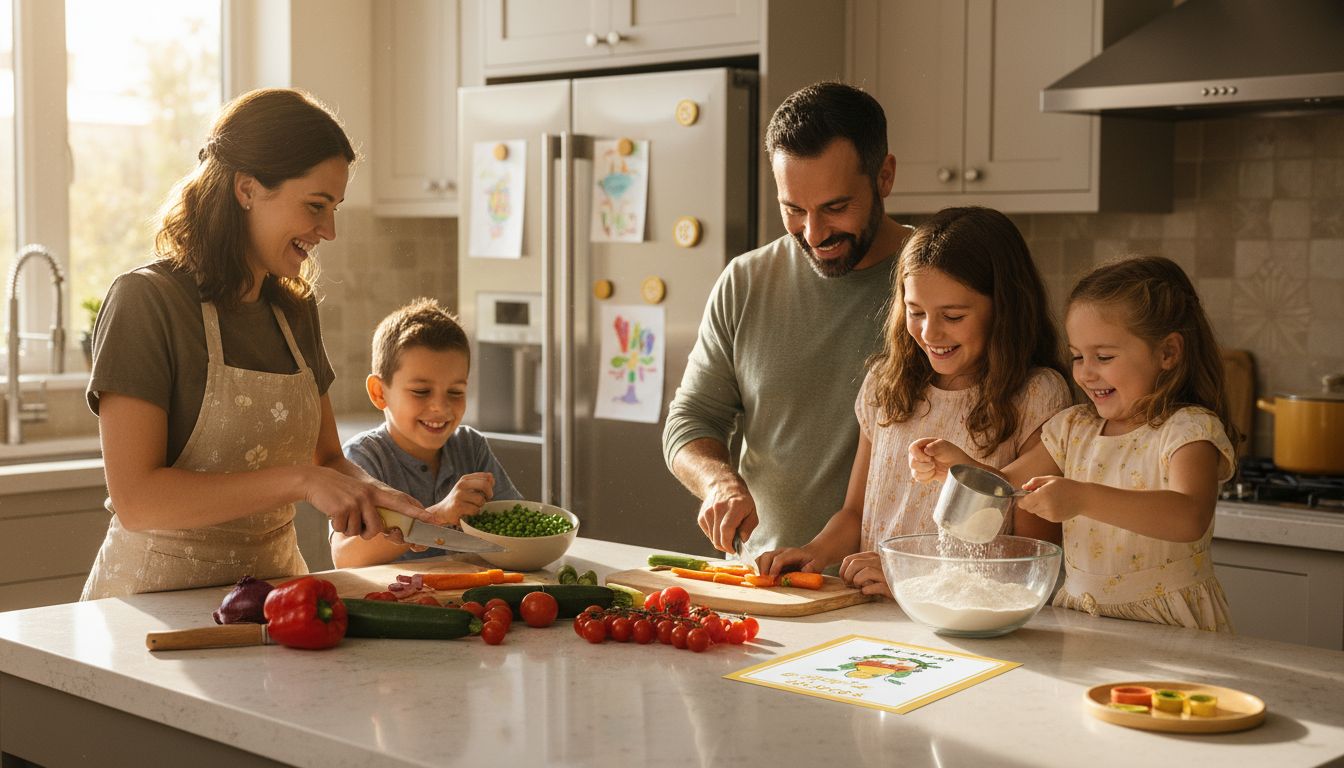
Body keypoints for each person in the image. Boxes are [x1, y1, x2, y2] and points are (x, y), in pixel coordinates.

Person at [81, 88, 429, 599]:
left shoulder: (294, 310)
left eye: (333, 207)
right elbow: (138, 499)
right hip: (151, 607)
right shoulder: (146, 301)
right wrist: (300, 481)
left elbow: (328, 458)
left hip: (276, 598)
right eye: (315, 205)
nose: (328, 230)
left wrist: (378, 495)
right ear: (247, 189)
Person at [911, 255, 1238, 631]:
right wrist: (957, 467)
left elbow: (1189, 517)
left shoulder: (1188, 429)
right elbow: (1007, 485)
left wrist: (1082, 498)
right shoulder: (1073, 428)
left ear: (1168, 353)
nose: (1086, 371)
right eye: (1078, 356)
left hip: (1171, 622)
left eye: (1104, 356)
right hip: (1083, 617)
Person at [756, 207, 1072, 596]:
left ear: (1004, 308)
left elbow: (1031, 559)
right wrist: (812, 553)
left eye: (953, 316)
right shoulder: (884, 385)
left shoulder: (1037, 396)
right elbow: (856, 513)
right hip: (875, 617)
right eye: (915, 311)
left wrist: (913, 582)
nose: (930, 332)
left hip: (969, 631)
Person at [662, 82, 914, 564]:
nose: (814, 233)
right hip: (771, 579)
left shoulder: (940, 284)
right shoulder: (746, 281)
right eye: (793, 210)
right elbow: (690, 418)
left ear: (884, 177)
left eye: (836, 208)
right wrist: (718, 481)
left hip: (900, 587)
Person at [332, 297, 522, 568]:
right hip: (392, 602)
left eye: (456, 392)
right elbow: (345, 557)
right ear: (379, 393)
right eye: (421, 391)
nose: (440, 407)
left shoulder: (472, 446)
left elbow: (513, 530)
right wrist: (437, 516)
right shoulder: (362, 457)